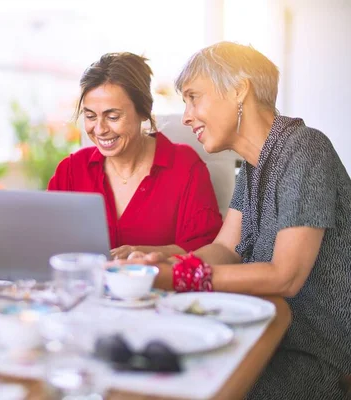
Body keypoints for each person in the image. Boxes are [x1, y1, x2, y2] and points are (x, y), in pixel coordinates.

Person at [127, 42, 351, 399]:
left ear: (238, 89)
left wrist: (179, 277)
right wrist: (164, 265)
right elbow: (225, 248)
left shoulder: (306, 149)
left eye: (193, 97)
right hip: (262, 328)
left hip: (309, 353)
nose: (186, 116)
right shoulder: (253, 166)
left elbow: (286, 276)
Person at [48, 52, 222, 259]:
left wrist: (145, 253)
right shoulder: (71, 170)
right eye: (90, 116)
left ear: (143, 111)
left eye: (113, 116)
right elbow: (47, 240)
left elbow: (207, 248)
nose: (100, 129)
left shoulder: (184, 166)